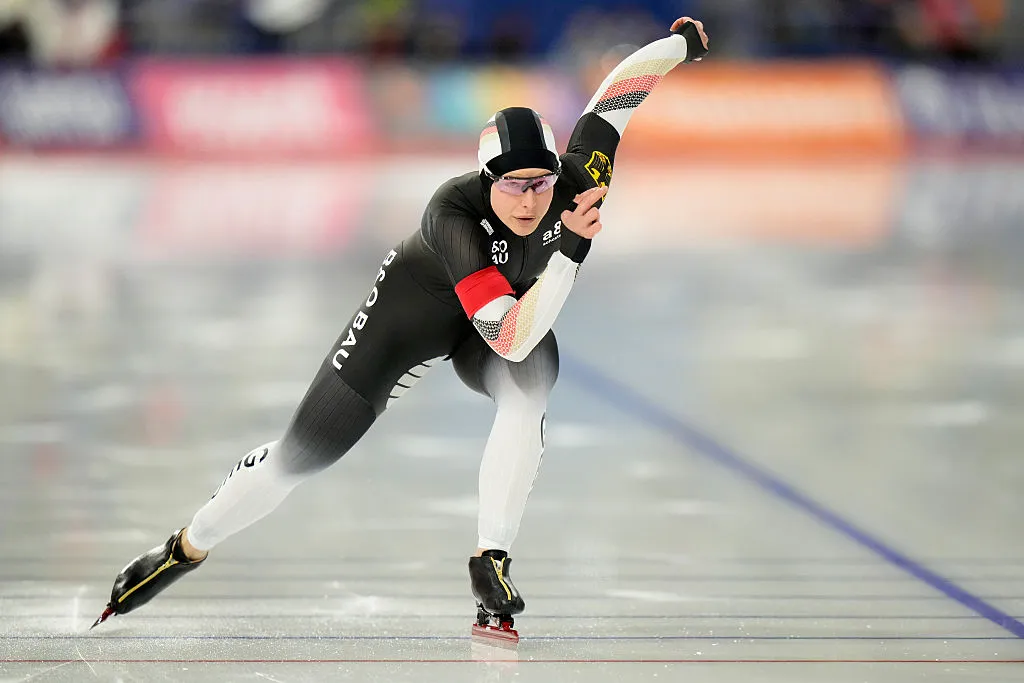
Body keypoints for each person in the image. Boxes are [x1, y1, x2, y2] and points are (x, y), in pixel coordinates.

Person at [93, 16, 710, 641]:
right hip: (407, 323)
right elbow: (510, 336)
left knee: (532, 388)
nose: (530, 200)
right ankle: (185, 547)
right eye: (514, 186)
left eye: (542, 183)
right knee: (298, 459)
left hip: (489, 325)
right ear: (486, 179)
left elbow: (616, 100)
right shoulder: (453, 213)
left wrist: (677, 45)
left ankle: (489, 559)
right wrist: (571, 251)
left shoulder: (577, 186)